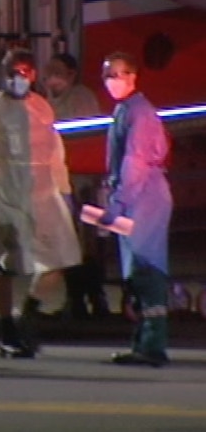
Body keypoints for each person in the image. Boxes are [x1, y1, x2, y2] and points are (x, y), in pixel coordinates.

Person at [0, 48, 82, 358]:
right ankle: (6, 331)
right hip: (8, 196)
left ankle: (27, 312)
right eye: (16, 70)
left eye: (27, 70)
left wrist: (64, 191)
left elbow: (55, 154)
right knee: (8, 266)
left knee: (60, 259)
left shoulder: (41, 108)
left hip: (44, 195)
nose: (22, 77)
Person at [98, 52, 172, 367]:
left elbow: (134, 163)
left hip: (144, 197)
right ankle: (145, 340)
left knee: (146, 268)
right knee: (138, 270)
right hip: (136, 195)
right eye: (107, 75)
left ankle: (152, 344)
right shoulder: (126, 110)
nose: (111, 81)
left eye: (117, 74)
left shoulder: (138, 113)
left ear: (133, 76)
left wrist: (117, 205)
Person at [43, 53, 110, 319]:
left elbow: (85, 140)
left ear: (71, 74)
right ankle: (76, 299)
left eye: (57, 71)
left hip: (83, 182)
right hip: (61, 183)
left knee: (87, 243)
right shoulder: (46, 102)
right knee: (68, 243)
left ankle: (95, 298)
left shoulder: (81, 99)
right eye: (48, 72)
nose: (51, 78)